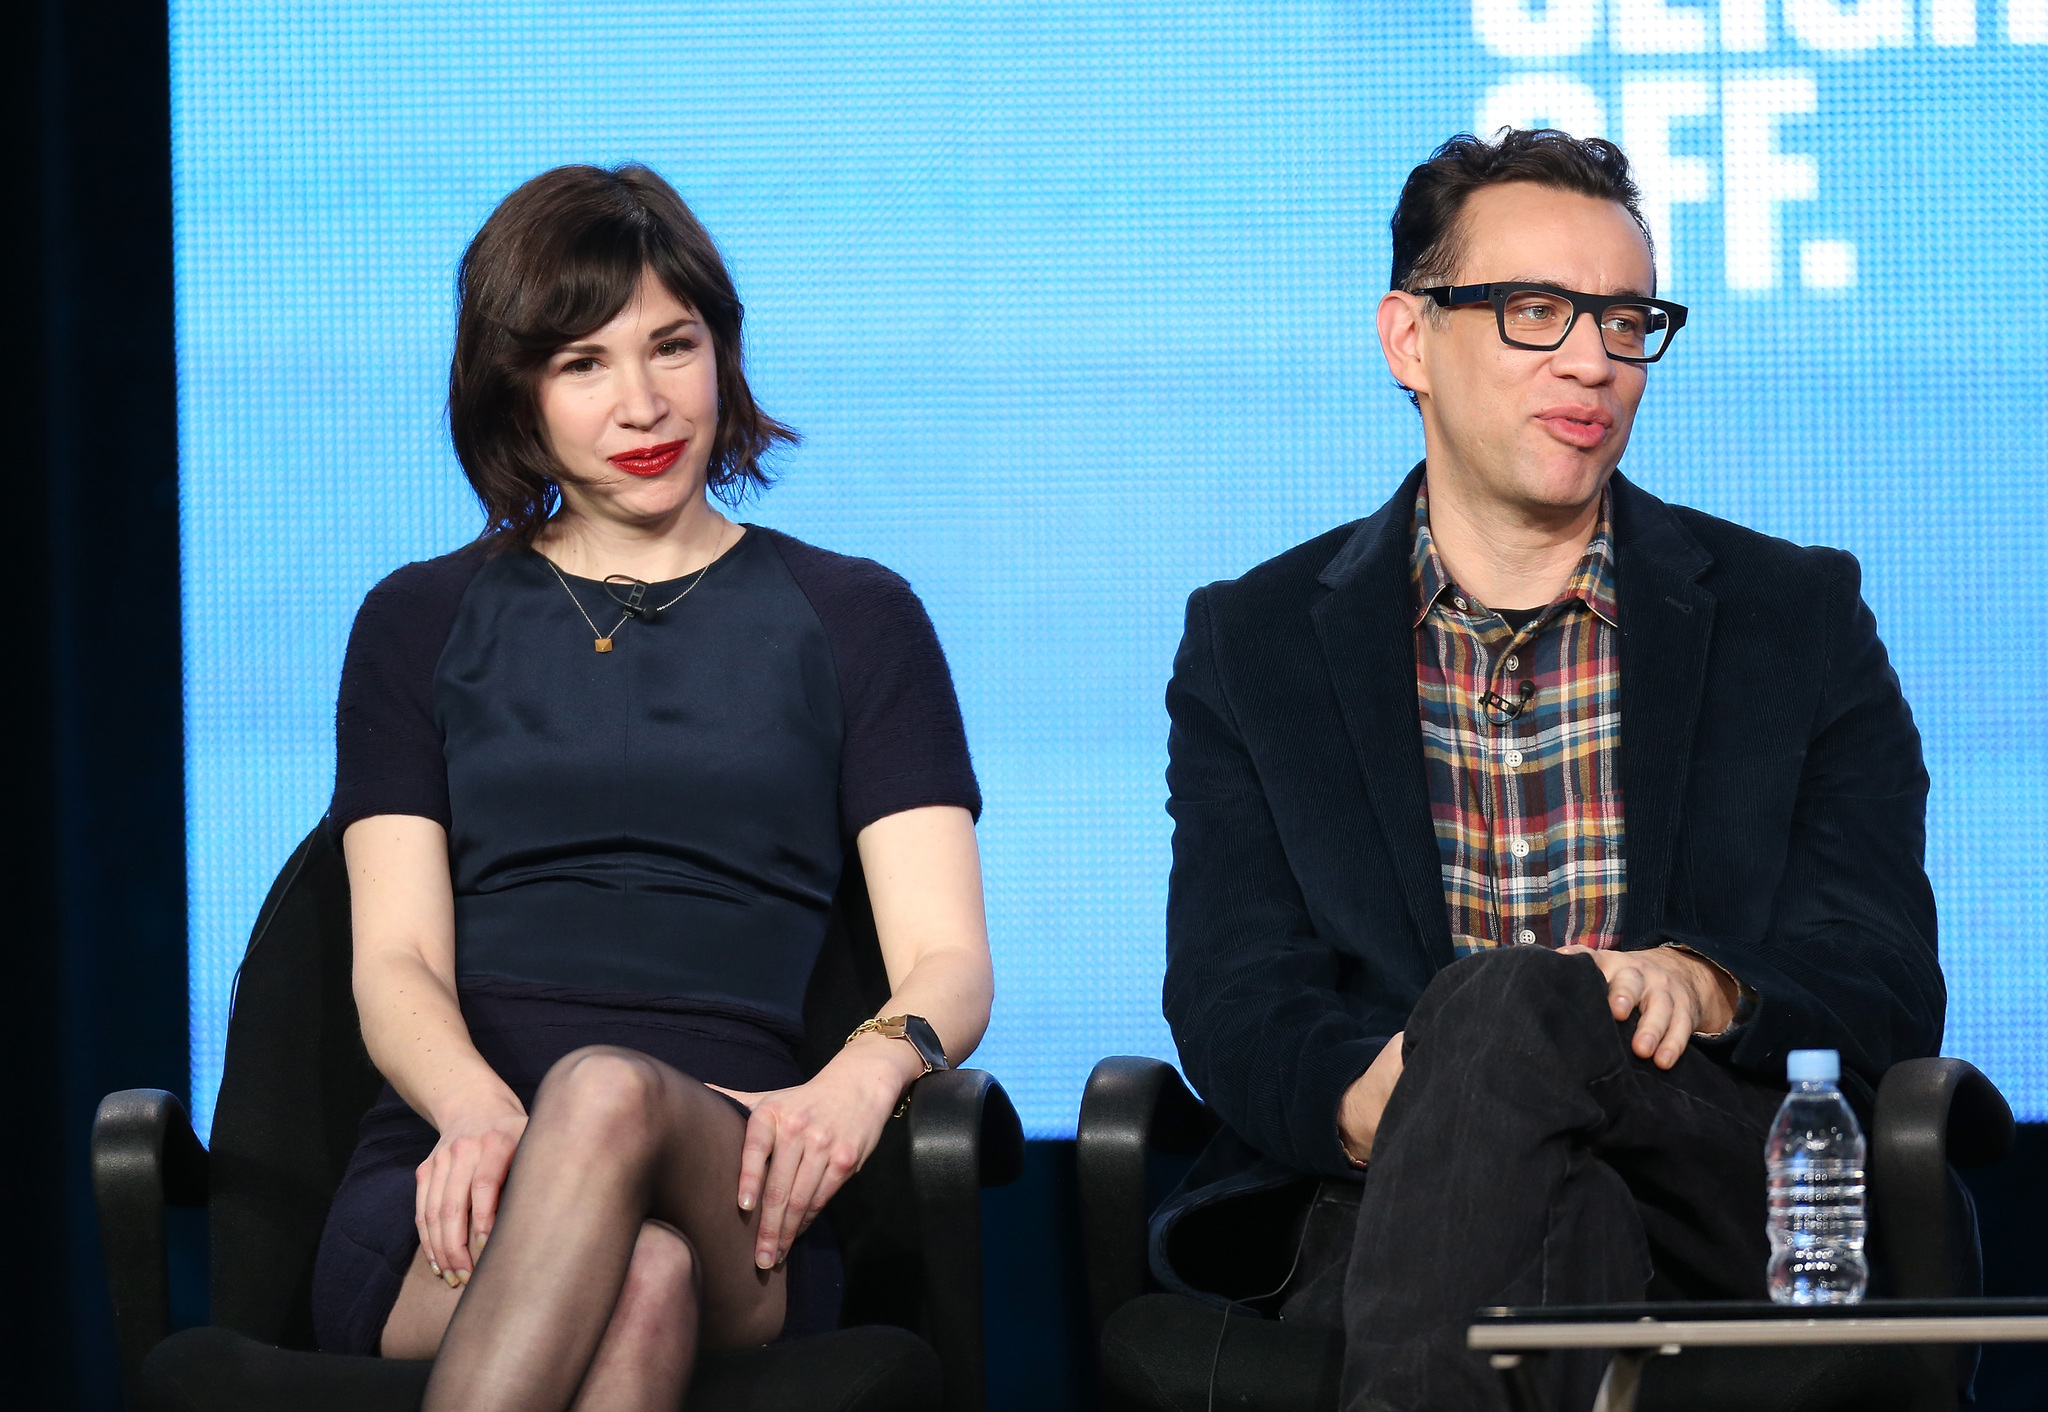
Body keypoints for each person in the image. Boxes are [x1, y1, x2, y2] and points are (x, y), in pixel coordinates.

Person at [1157, 129, 1942, 1412]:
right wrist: (1383, 1102)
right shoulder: (1254, 638)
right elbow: (1234, 988)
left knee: (1512, 1003)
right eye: (1535, 312)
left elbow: (1880, 974)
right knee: (1528, 1165)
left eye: (1625, 320)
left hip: (1710, 1177)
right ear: (1409, 339)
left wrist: (1701, 977)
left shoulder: (1790, 614)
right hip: (1384, 1181)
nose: (1591, 360)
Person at [309, 163, 994, 1412]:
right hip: (457, 1165)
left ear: (721, 354)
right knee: (638, 1281)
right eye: (582, 364)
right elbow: (392, 958)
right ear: (517, 390)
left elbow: (947, 961)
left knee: (613, 1094)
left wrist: (855, 1080)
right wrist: (474, 1115)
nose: (642, 401)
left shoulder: (857, 616)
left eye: (671, 346)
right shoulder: (416, 620)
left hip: (734, 1170)